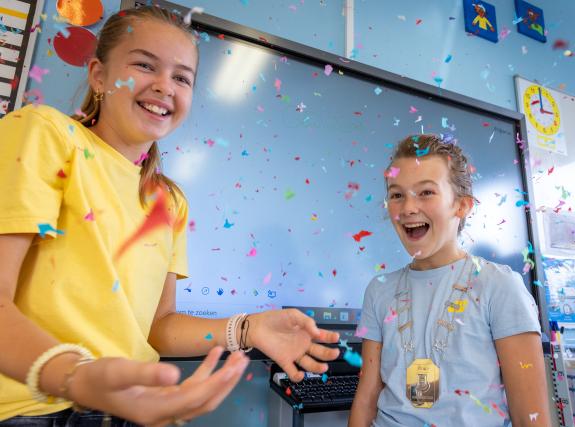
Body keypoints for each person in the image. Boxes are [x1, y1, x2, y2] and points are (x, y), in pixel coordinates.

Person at [0, 6, 339, 426]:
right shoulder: (45, 133)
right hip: (34, 410)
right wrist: (76, 377)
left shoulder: (169, 200)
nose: (164, 86)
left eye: (181, 77)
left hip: (128, 410)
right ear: (99, 75)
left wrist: (248, 329)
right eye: (144, 65)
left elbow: (158, 327)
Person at [348, 135, 551, 426]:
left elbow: (531, 417)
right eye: (396, 195)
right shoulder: (379, 290)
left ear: (462, 206)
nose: (407, 208)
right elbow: (366, 399)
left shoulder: (499, 286)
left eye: (426, 192)